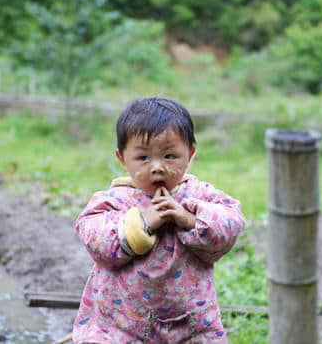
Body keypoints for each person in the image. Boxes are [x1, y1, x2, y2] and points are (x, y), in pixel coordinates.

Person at [72, 97, 246, 343]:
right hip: (121, 325)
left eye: (170, 156)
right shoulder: (114, 200)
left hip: (191, 325)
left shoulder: (198, 195)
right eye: (143, 158)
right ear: (122, 158)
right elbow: (94, 238)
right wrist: (141, 224)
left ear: (191, 154)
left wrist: (188, 219)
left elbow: (232, 222)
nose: (157, 167)